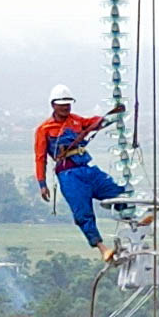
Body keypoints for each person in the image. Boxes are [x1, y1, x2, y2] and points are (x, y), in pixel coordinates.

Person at [34, 84, 148, 261]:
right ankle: (102, 248)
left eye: (68, 104)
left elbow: (94, 123)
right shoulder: (44, 129)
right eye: (62, 104)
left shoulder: (77, 121)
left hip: (87, 169)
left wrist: (112, 116)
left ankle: (134, 223)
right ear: (53, 105)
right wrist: (42, 184)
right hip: (69, 174)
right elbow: (40, 158)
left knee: (117, 193)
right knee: (83, 212)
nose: (65, 107)